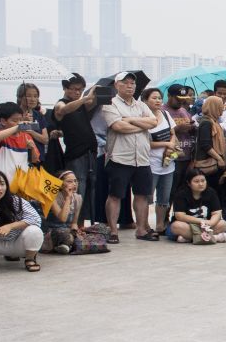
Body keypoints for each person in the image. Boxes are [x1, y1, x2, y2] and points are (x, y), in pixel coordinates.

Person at [100, 72, 156, 243]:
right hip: (119, 157)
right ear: (117, 85)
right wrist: (141, 125)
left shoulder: (141, 105)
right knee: (115, 195)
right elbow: (118, 126)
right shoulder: (110, 104)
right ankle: (113, 231)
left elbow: (153, 122)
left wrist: (130, 119)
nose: (130, 86)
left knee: (142, 195)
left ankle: (141, 229)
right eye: (126, 83)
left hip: (142, 158)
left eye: (132, 83)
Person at [52, 74, 98, 223]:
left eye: (81, 90)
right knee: (77, 190)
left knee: (90, 190)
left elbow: (91, 105)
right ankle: (74, 224)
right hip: (75, 154)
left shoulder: (81, 106)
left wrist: (97, 96)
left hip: (90, 152)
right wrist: (84, 98)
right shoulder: (61, 103)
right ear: (65, 88)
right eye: (74, 89)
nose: (77, 92)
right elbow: (62, 110)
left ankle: (83, 223)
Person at [143, 88, 178, 237]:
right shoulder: (143, 117)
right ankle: (144, 225)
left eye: (159, 98)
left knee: (164, 197)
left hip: (168, 163)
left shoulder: (165, 114)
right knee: (146, 197)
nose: (158, 101)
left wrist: (170, 145)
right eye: (154, 98)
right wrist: (165, 145)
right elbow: (145, 142)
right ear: (145, 100)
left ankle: (159, 225)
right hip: (150, 164)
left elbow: (173, 134)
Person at [167, 169, 226, 243]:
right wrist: (200, 221)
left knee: (223, 224)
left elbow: (217, 213)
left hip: (206, 226)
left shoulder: (211, 192)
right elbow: (180, 216)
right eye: (196, 181)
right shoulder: (181, 194)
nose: (201, 184)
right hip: (187, 225)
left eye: (203, 181)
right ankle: (213, 237)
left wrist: (211, 223)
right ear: (189, 183)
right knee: (176, 226)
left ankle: (190, 238)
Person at [0, 102, 40, 175]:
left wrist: (32, 148)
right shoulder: (0, 134)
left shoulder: (26, 136)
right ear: (3, 121)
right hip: (4, 182)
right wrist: (18, 127)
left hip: (22, 182)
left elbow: (35, 160)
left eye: (20, 120)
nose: (19, 123)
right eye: (15, 120)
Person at [41, 170, 81, 254]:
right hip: (53, 232)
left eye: (75, 181)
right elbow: (62, 218)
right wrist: (68, 198)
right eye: (69, 181)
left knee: (100, 229)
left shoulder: (78, 198)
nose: (74, 184)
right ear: (61, 184)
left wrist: (75, 232)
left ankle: (67, 244)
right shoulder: (52, 197)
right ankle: (68, 244)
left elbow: (74, 223)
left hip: (68, 232)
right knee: (62, 233)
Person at [192, 96, 226, 185]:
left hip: (214, 162)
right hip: (208, 164)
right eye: (220, 105)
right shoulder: (206, 123)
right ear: (213, 107)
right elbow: (205, 145)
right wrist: (219, 158)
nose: (222, 108)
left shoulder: (214, 121)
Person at [15, 83, 51, 166]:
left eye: (35, 96)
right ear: (20, 97)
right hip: (20, 157)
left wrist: (30, 131)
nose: (33, 99)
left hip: (37, 157)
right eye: (29, 96)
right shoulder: (14, 114)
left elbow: (45, 139)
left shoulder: (39, 115)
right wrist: (23, 121)